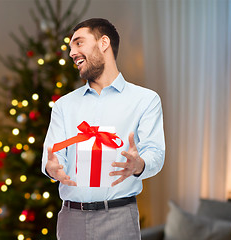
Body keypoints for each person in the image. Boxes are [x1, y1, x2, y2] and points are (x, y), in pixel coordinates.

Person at [41, 18, 165, 239]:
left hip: (119, 217)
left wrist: (139, 164)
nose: (71, 53)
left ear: (104, 42)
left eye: (78, 43)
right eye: (70, 48)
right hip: (71, 219)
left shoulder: (145, 100)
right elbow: (53, 154)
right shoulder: (63, 105)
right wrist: (52, 168)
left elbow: (155, 153)